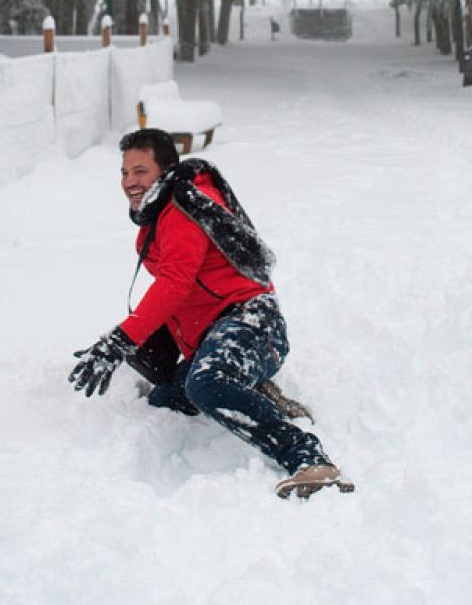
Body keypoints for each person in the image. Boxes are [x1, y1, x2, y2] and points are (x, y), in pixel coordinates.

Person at [69, 129, 353, 499]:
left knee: (207, 383)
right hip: (217, 330)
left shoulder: (185, 208)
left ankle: (308, 457)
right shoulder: (164, 210)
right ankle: (253, 388)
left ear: (166, 170)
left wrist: (119, 341)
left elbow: (175, 283)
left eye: (140, 171)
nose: (129, 182)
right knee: (168, 397)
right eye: (124, 173)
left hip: (253, 324)